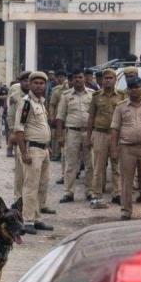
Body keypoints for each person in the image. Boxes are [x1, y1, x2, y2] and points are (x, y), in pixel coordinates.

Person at [14, 71, 55, 235]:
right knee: (30, 186)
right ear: (30, 85)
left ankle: (37, 218)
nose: (39, 86)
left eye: (42, 83)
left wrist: (47, 146)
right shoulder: (26, 103)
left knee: (42, 185)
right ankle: (28, 220)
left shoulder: (41, 103)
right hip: (32, 150)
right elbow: (19, 129)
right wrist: (24, 152)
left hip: (43, 149)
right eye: (35, 83)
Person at [111, 76, 141, 220]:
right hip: (127, 148)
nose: (134, 90)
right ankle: (126, 210)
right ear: (128, 90)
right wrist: (114, 149)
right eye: (131, 88)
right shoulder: (121, 107)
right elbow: (115, 128)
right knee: (126, 181)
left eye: (137, 87)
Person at [56, 69, 94, 203]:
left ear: (85, 79)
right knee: (71, 163)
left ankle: (90, 191)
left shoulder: (92, 94)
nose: (78, 79)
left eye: (80, 77)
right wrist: (59, 136)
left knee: (90, 163)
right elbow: (60, 116)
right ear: (72, 80)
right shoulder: (66, 95)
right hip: (72, 132)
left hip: (89, 132)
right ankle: (68, 192)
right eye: (75, 77)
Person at [87, 69, 124, 204]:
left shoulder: (122, 96)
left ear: (115, 80)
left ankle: (117, 193)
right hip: (100, 133)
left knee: (117, 165)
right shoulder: (96, 96)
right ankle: (96, 193)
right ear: (102, 80)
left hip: (116, 134)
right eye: (105, 78)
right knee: (98, 166)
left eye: (110, 78)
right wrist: (88, 137)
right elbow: (91, 117)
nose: (107, 80)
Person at [7, 71, 30, 198]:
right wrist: (13, 133)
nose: (27, 83)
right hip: (20, 134)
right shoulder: (16, 96)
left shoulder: (36, 96)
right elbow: (11, 115)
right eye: (25, 81)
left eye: (29, 80)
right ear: (20, 82)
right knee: (20, 169)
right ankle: (19, 197)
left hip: (34, 136)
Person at [48, 71, 67, 163]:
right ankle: (56, 154)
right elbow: (52, 105)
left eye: (62, 77)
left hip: (68, 117)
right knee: (55, 136)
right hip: (58, 116)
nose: (60, 79)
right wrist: (51, 116)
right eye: (59, 77)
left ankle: (63, 154)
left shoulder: (71, 89)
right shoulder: (56, 90)